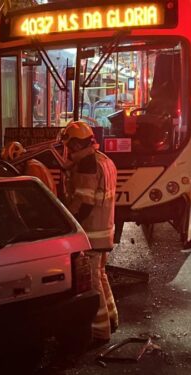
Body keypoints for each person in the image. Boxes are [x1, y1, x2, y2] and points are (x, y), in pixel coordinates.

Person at [60, 120, 119, 342]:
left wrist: (68, 222)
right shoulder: (104, 160)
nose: (67, 151)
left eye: (68, 146)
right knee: (101, 276)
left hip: (91, 234)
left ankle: (100, 332)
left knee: (93, 282)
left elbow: (84, 204)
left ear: (75, 145)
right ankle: (111, 318)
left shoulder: (86, 165)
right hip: (104, 231)